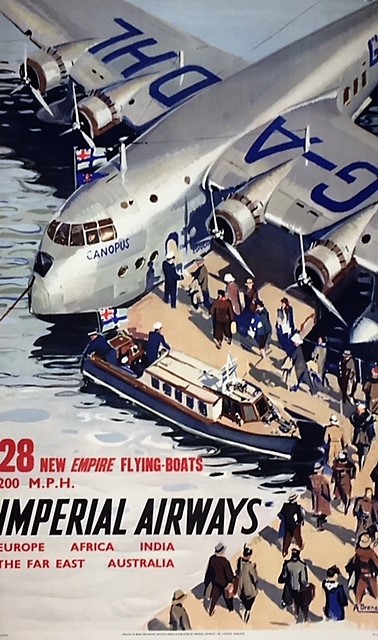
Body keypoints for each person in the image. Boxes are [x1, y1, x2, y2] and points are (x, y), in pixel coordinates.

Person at [345, 533, 378, 606]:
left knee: (359, 592)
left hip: (361, 574)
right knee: (375, 593)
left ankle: (358, 604)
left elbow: (352, 562)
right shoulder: (371, 553)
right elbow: (377, 563)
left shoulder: (358, 551)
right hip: (370, 575)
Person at [278, 548, 311, 622]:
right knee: (300, 603)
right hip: (299, 589)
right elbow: (304, 580)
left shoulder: (288, 564)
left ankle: (294, 613)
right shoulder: (302, 565)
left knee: (289, 602)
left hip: (289, 588)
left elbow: (284, 576)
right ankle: (300, 616)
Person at [204, 542, 234, 616]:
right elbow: (229, 575)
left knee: (214, 598)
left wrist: (207, 581)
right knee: (228, 598)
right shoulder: (225, 562)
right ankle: (230, 609)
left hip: (215, 582)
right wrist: (231, 581)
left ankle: (211, 611)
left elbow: (209, 571)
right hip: (225, 584)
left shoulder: (212, 559)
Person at [235, 545, 258, 624]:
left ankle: (244, 606)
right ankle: (247, 611)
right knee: (252, 596)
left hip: (241, 586)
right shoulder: (251, 566)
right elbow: (255, 578)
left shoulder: (240, 562)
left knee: (243, 597)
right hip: (248, 589)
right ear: (249, 556)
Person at [350, 401, 376, 470]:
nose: (357, 411)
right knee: (360, 451)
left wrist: (372, 437)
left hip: (365, 439)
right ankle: (360, 462)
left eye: (359, 410)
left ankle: (362, 465)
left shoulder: (368, 419)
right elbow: (352, 419)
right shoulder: (357, 417)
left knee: (364, 453)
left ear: (363, 410)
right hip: (359, 439)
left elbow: (371, 430)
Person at [308, 462, 331, 531]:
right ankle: (320, 525)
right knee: (324, 513)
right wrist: (328, 498)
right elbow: (325, 489)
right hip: (323, 498)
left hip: (316, 497)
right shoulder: (322, 479)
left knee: (319, 510)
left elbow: (309, 487)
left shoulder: (311, 478)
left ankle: (320, 522)